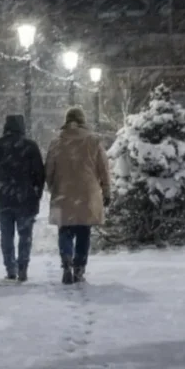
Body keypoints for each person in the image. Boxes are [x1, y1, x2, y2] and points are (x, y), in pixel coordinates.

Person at [45, 106, 111, 285]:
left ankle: (66, 259)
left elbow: (49, 169)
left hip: (63, 192)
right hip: (87, 194)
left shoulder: (57, 142)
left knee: (65, 230)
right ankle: (79, 268)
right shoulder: (93, 141)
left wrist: (53, 187)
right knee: (84, 231)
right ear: (83, 120)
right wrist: (106, 190)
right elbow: (103, 169)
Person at [0, 114, 45, 282]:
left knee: (6, 234)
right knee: (25, 234)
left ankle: (10, 268)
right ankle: (23, 267)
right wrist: (36, 193)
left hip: (3, 199)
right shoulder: (30, 147)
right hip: (26, 198)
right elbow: (39, 173)